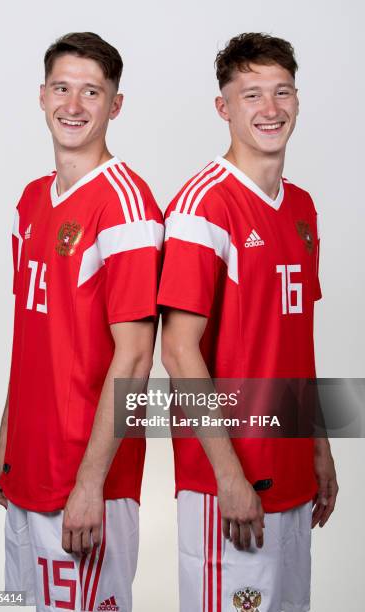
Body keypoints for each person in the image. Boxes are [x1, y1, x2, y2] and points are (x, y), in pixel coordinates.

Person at [158, 32, 338, 612]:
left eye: (282, 93)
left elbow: (294, 342)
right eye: (252, 94)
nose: (270, 109)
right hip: (227, 484)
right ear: (224, 107)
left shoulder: (303, 207)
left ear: (297, 100)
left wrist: (319, 445)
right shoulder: (201, 205)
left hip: (291, 476)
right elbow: (180, 352)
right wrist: (229, 476)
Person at [0, 32, 163, 611]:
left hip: (88, 486)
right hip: (27, 470)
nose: (73, 105)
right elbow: (33, 337)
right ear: (41, 96)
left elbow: (135, 357)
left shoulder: (127, 204)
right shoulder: (32, 199)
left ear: (115, 105)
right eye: (62, 88)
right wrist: (6, 440)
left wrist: (90, 485)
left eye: (92, 92)